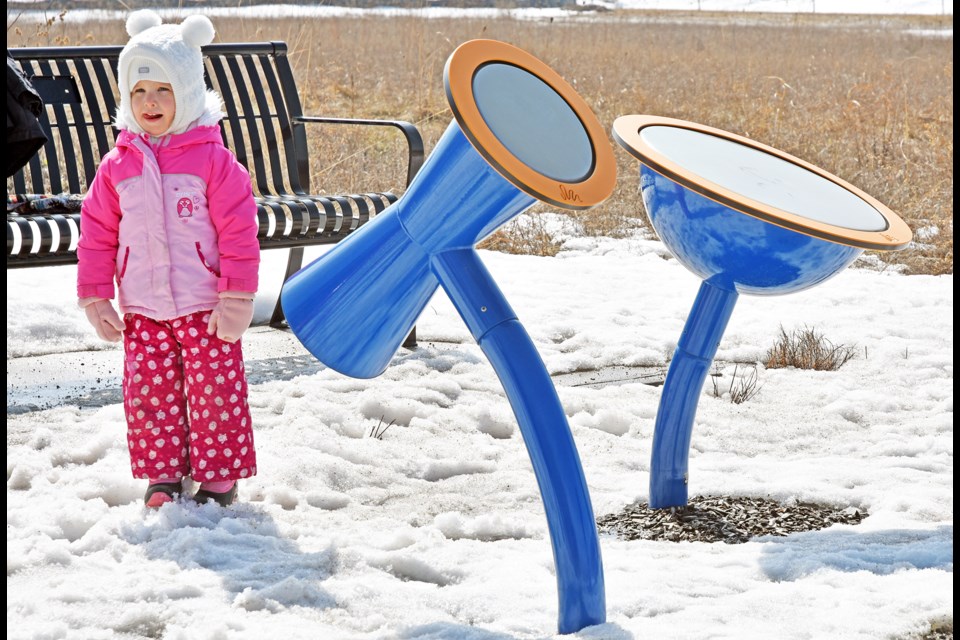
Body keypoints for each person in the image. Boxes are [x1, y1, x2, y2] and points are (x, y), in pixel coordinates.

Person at [77, 10, 261, 509]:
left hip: (206, 303)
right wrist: (96, 297)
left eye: (162, 89)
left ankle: (219, 477)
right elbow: (95, 234)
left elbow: (240, 232)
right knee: (150, 396)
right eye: (138, 92)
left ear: (188, 92)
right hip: (143, 304)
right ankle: (162, 475)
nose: (150, 102)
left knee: (213, 392)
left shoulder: (213, 161)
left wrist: (238, 295)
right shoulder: (117, 166)